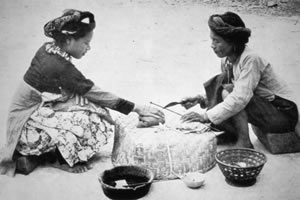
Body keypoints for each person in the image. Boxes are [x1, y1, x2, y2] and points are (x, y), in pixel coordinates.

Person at [0, 9, 164, 176]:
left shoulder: (50, 49)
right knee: (88, 119)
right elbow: (93, 92)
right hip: (25, 125)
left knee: (92, 110)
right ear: (70, 40)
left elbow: (73, 89)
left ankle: (41, 156)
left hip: (36, 111)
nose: (89, 48)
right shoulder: (57, 64)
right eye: (86, 43)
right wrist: (137, 108)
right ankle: (58, 159)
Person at [180, 11, 298, 149]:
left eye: (217, 41)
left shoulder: (251, 59)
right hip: (266, 109)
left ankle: (244, 142)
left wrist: (206, 116)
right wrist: (201, 99)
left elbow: (240, 98)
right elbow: (224, 88)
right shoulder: (227, 60)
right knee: (222, 81)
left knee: (230, 92)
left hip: (283, 114)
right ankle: (231, 134)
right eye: (212, 40)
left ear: (233, 43)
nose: (212, 45)